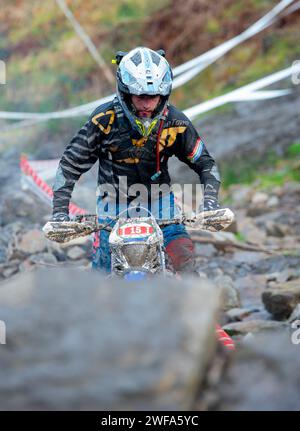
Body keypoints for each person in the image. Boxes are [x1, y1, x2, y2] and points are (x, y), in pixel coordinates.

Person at [51, 47, 221, 274]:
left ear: (164, 94)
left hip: (160, 201)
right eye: (140, 96)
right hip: (112, 205)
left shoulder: (175, 122)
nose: (147, 104)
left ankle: (192, 306)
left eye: (153, 96)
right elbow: (69, 165)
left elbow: (206, 163)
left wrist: (210, 202)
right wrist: (60, 212)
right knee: (100, 276)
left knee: (184, 258)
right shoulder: (104, 120)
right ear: (125, 92)